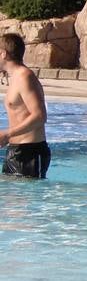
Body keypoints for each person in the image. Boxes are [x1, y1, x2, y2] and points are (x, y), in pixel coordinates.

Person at [0, 33, 50, 179]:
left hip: (30, 152)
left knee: (26, 199)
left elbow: (40, 116)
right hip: (15, 150)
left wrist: (7, 134)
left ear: (3, 54)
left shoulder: (24, 76)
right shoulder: (15, 77)